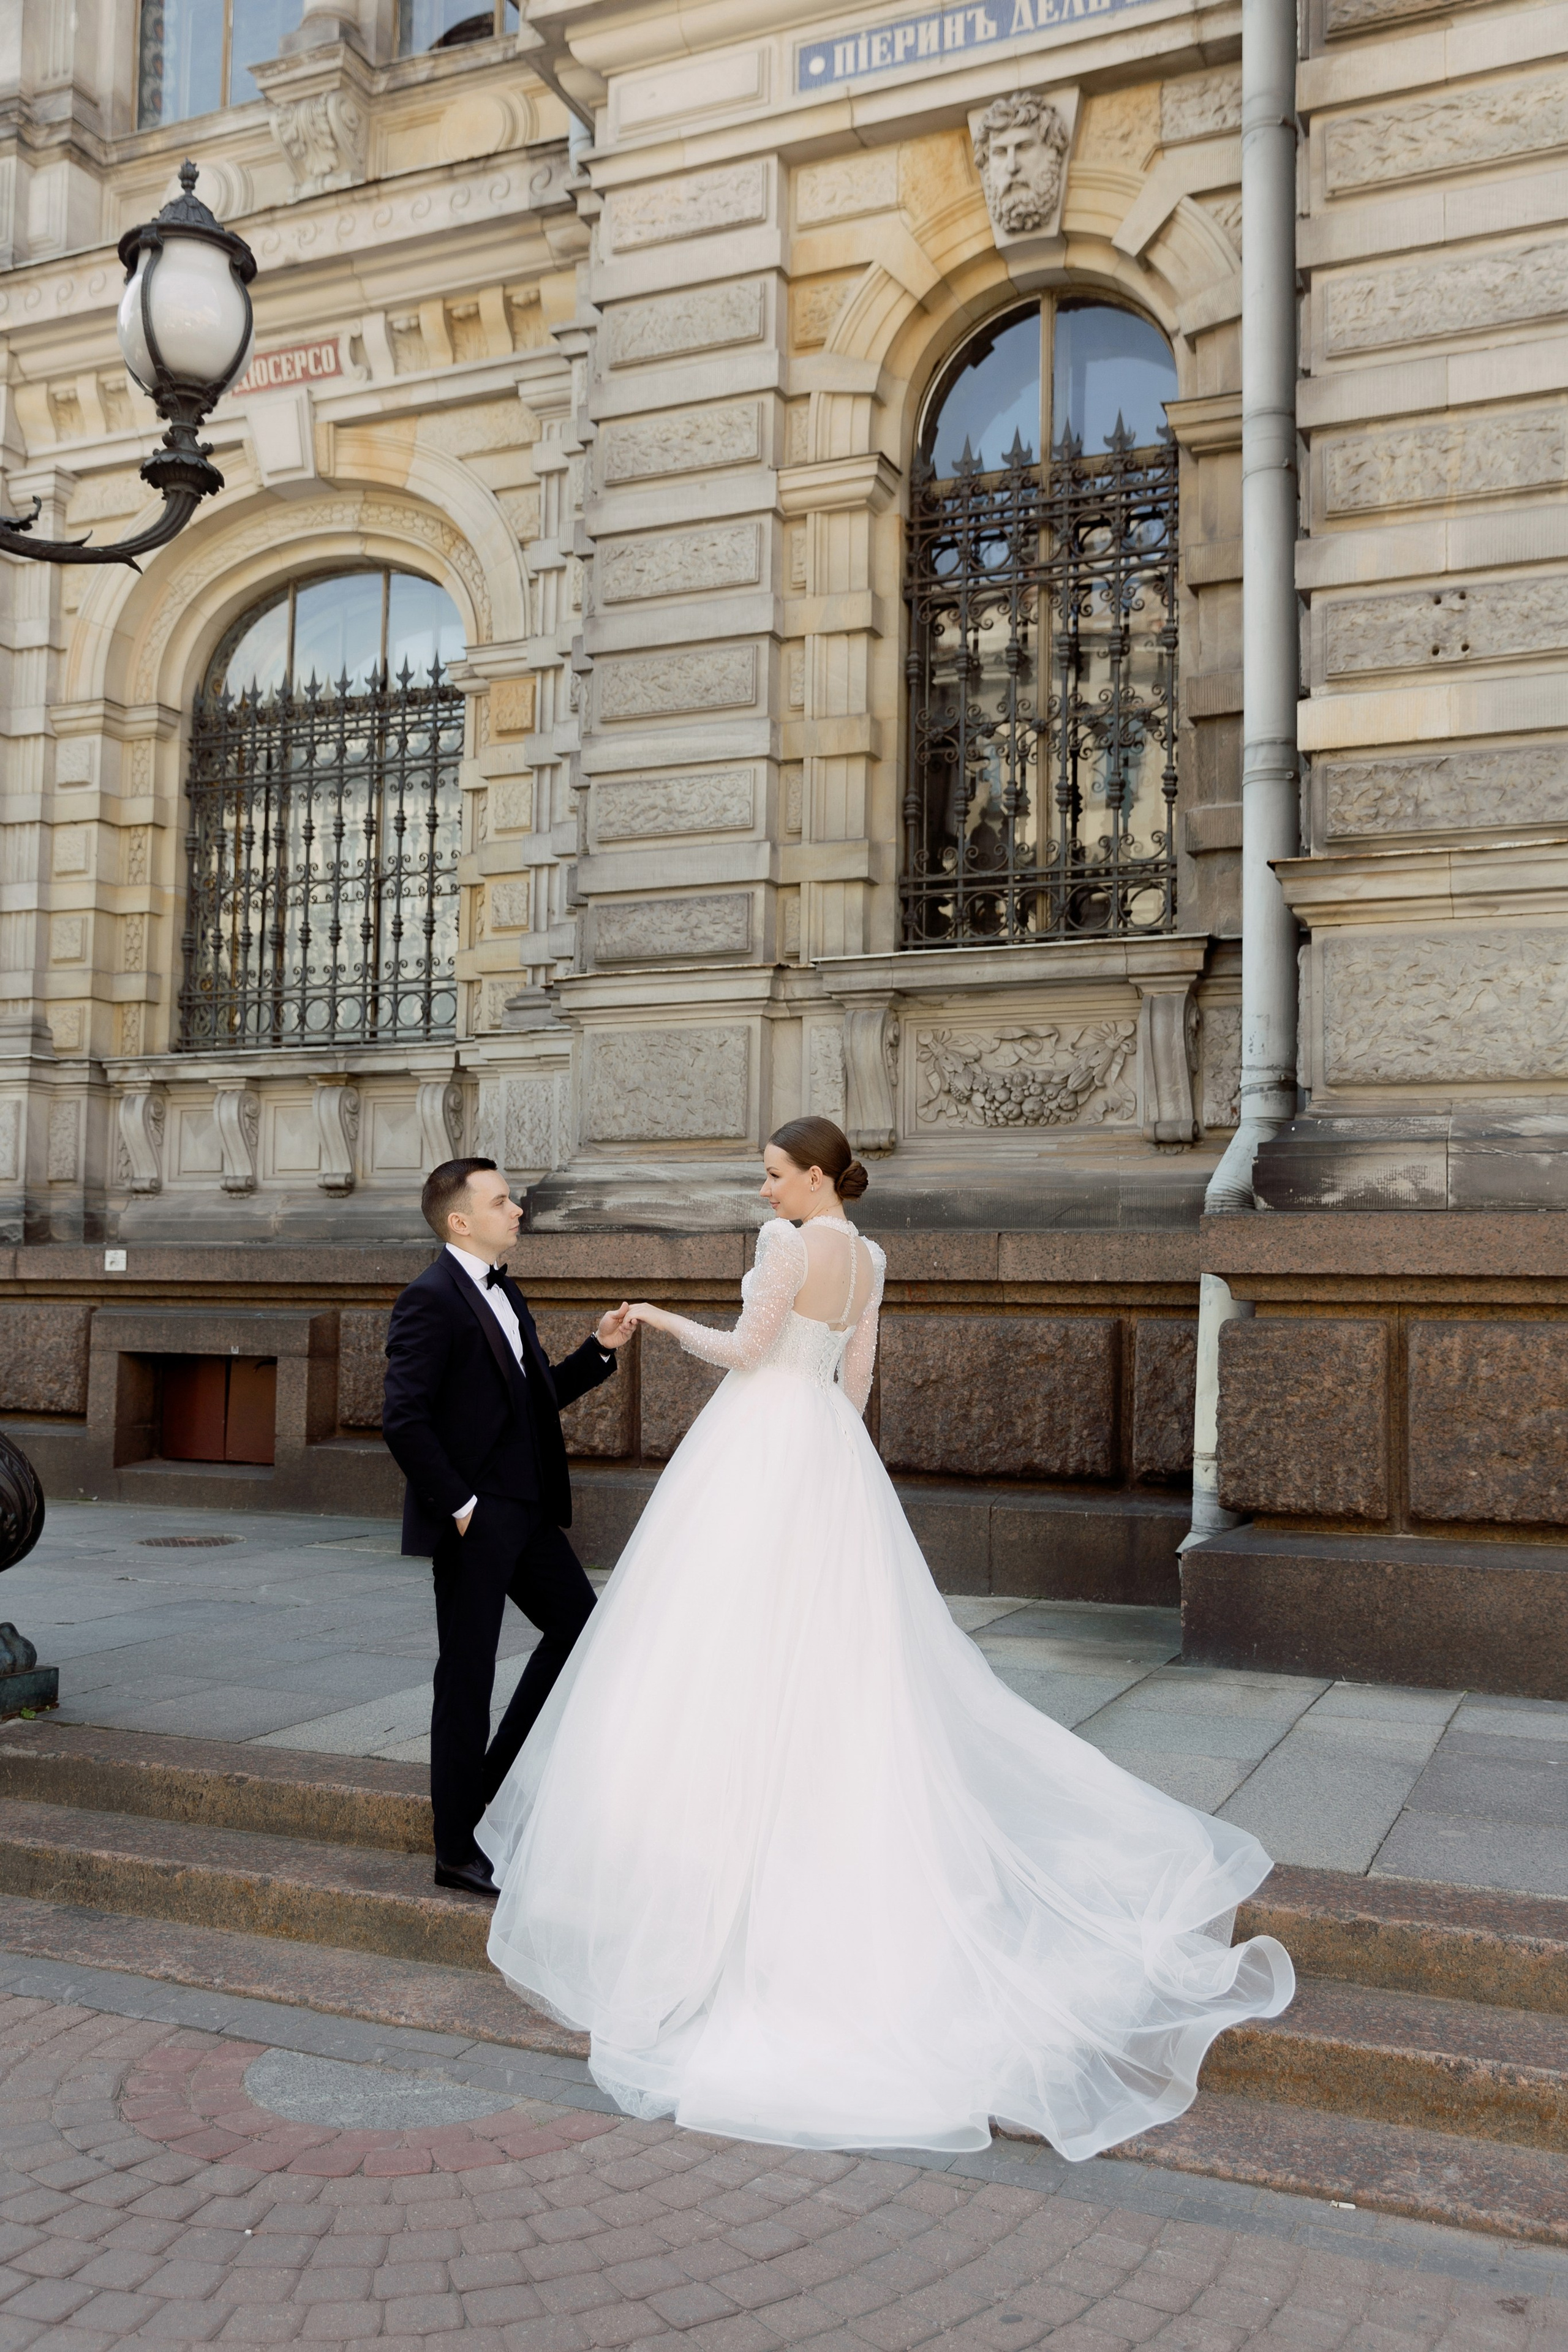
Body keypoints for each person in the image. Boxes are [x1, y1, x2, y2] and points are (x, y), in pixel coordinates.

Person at [478, 1119, 1293, 2158]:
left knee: (718, 1638)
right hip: (824, 1445)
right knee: (835, 1645)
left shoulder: (787, 1246)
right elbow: (855, 1381)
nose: (765, 1191)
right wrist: (832, 1463)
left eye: (775, 1175)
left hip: (759, 1439)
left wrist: (662, 1317)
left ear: (817, 1176)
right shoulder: (869, 1257)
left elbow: (746, 1351)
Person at [382, 1156, 634, 1896]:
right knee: (467, 1676)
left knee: (580, 1629)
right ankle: (454, 1848)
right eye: (501, 1201)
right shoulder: (429, 1298)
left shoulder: (503, 1288)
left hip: (526, 1510)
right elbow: (403, 1418)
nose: (517, 1209)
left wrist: (598, 1352)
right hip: (475, 1517)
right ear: (461, 1220)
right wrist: (461, 1507)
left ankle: (487, 1784)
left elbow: (529, 1399)